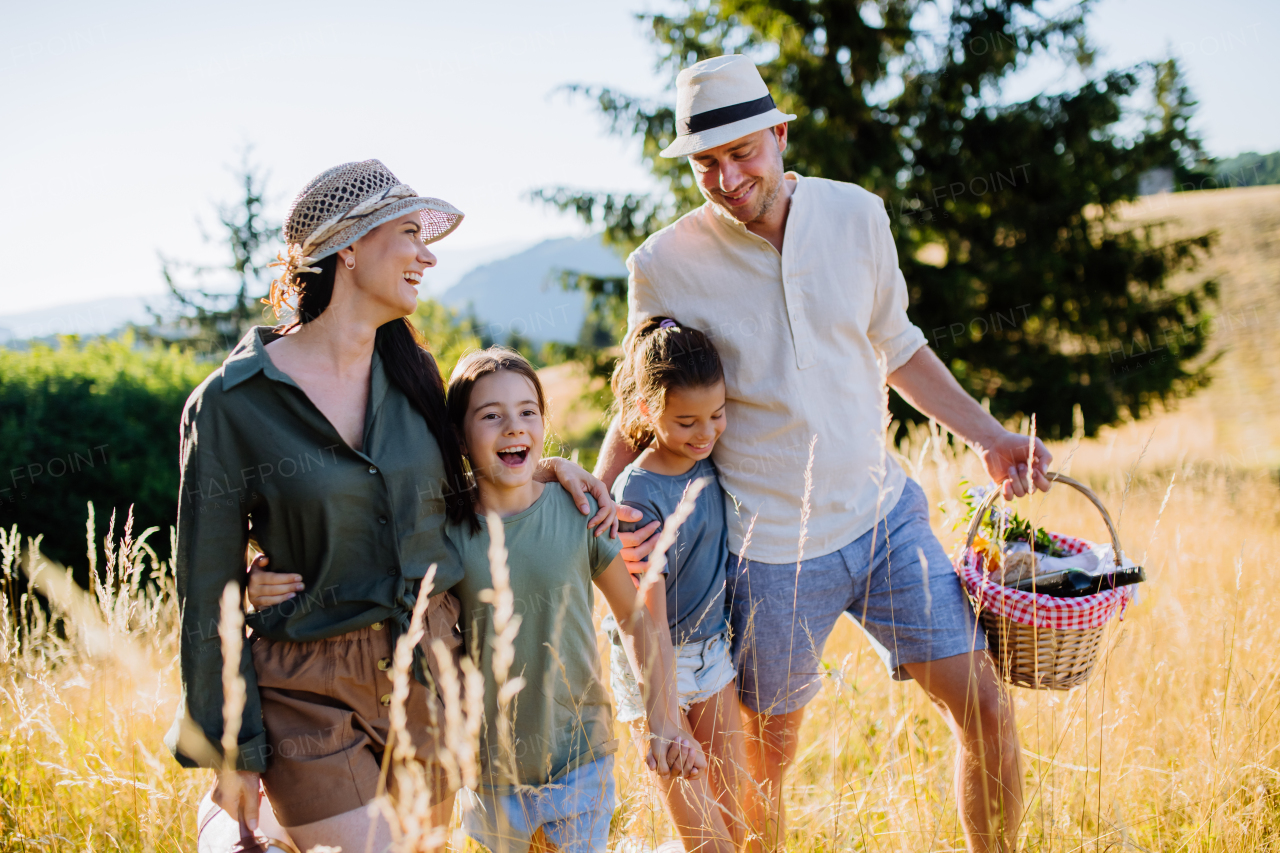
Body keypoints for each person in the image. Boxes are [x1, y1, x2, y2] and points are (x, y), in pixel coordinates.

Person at [595, 56, 1052, 853]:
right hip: (768, 552)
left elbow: (899, 345)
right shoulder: (662, 264)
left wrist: (992, 435)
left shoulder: (858, 215)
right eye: (706, 162)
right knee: (766, 761)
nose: (727, 176)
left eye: (743, 152)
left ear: (778, 134)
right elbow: (648, 400)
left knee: (986, 706)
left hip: (884, 516)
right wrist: (596, 498)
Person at [170, 160, 623, 853]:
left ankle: (273, 834)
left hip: (429, 674)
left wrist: (553, 467)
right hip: (308, 683)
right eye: (409, 232)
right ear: (347, 248)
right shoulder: (231, 405)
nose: (428, 253)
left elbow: (473, 471)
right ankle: (231, 823)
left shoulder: (413, 376)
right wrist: (231, 748)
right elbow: (205, 588)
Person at [442, 347, 706, 853]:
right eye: (491, 416)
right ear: (458, 434)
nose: (513, 426)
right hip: (487, 774)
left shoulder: (578, 510)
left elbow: (634, 618)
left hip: (579, 760)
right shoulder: (448, 530)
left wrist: (664, 720)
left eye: (527, 412)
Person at [604, 317, 764, 852]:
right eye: (687, 421)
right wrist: (663, 713)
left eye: (717, 415)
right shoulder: (639, 492)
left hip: (712, 655)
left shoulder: (709, 460)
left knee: (735, 818)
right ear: (648, 411)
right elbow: (644, 615)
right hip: (656, 665)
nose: (706, 432)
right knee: (704, 837)